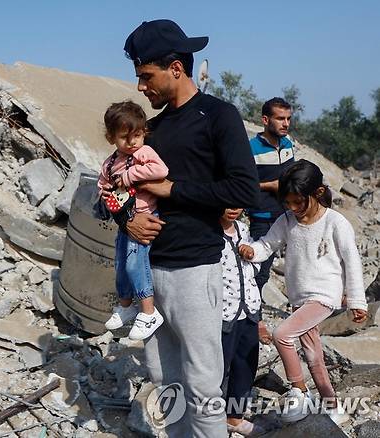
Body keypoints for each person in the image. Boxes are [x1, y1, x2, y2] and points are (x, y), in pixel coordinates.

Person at [123, 19, 259, 437]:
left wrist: (173, 189)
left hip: (195, 269)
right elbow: (120, 183)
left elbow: (244, 188)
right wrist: (128, 220)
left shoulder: (218, 116)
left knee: (202, 385)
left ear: (176, 68)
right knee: (166, 382)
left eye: (147, 77)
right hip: (150, 272)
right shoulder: (154, 129)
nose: (141, 88)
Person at [239, 159, 368, 425]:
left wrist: (357, 301)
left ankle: (300, 392)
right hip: (299, 297)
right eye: (287, 203)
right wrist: (252, 252)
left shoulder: (335, 222)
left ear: (317, 193)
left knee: (282, 334)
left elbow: (352, 260)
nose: (293, 208)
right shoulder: (287, 220)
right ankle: (333, 406)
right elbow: (267, 245)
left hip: (324, 296)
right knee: (313, 353)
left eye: (298, 202)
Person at [97, 101, 168, 340]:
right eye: (125, 137)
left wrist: (129, 176)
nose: (132, 142)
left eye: (137, 135)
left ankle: (149, 312)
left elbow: (160, 170)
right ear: (111, 137)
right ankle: (126, 306)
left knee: (135, 264)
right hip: (125, 219)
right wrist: (104, 192)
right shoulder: (109, 163)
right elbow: (102, 185)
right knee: (120, 265)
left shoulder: (143, 154)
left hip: (145, 216)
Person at [248, 97, 295, 344]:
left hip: (288, 214)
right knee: (259, 271)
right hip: (263, 217)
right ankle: (254, 323)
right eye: (280, 118)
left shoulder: (288, 144)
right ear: (266, 120)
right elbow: (242, 185)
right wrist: (270, 186)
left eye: (288, 118)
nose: (285, 123)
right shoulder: (251, 148)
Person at [219, 208, 265, 436]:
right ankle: (208, 416)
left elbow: (255, 261)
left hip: (249, 307)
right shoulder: (208, 235)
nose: (233, 209)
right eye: (227, 203)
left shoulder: (243, 229)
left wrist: (251, 256)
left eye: (238, 203)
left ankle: (234, 417)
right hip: (223, 312)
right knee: (219, 366)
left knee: (246, 364)